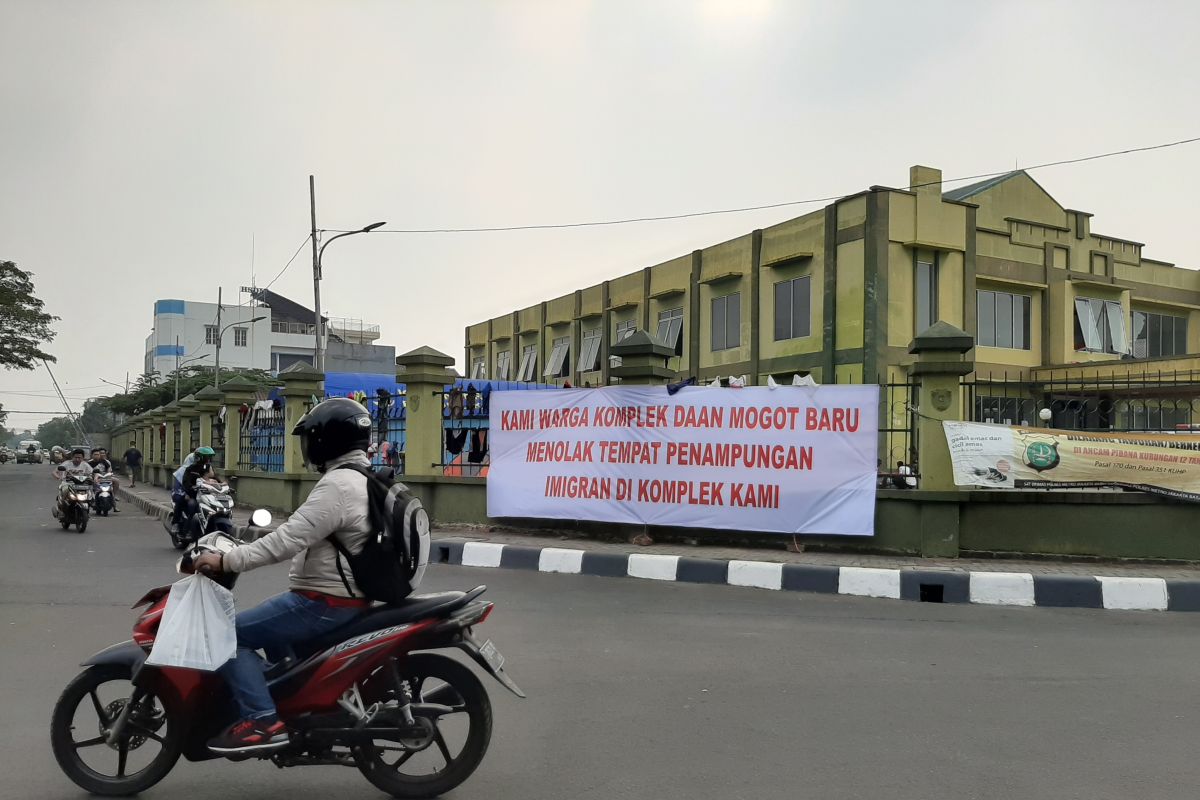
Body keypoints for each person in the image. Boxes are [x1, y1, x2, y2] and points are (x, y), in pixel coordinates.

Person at [193, 397, 375, 755]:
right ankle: (297, 711)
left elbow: (288, 540)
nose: (306, 446)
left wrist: (227, 561)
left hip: (322, 601)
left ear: (327, 441)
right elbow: (302, 531)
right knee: (275, 643)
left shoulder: (338, 485)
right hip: (346, 596)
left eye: (309, 438)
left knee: (226, 635)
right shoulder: (365, 478)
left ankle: (262, 719)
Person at [176, 447, 221, 530]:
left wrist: (222, 486)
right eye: (206, 457)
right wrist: (191, 489)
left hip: (208, 495)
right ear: (199, 458)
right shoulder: (190, 469)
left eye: (209, 457)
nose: (208, 460)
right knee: (192, 505)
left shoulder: (208, 469)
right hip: (194, 496)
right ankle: (188, 529)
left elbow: (216, 479)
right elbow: (186, 482)